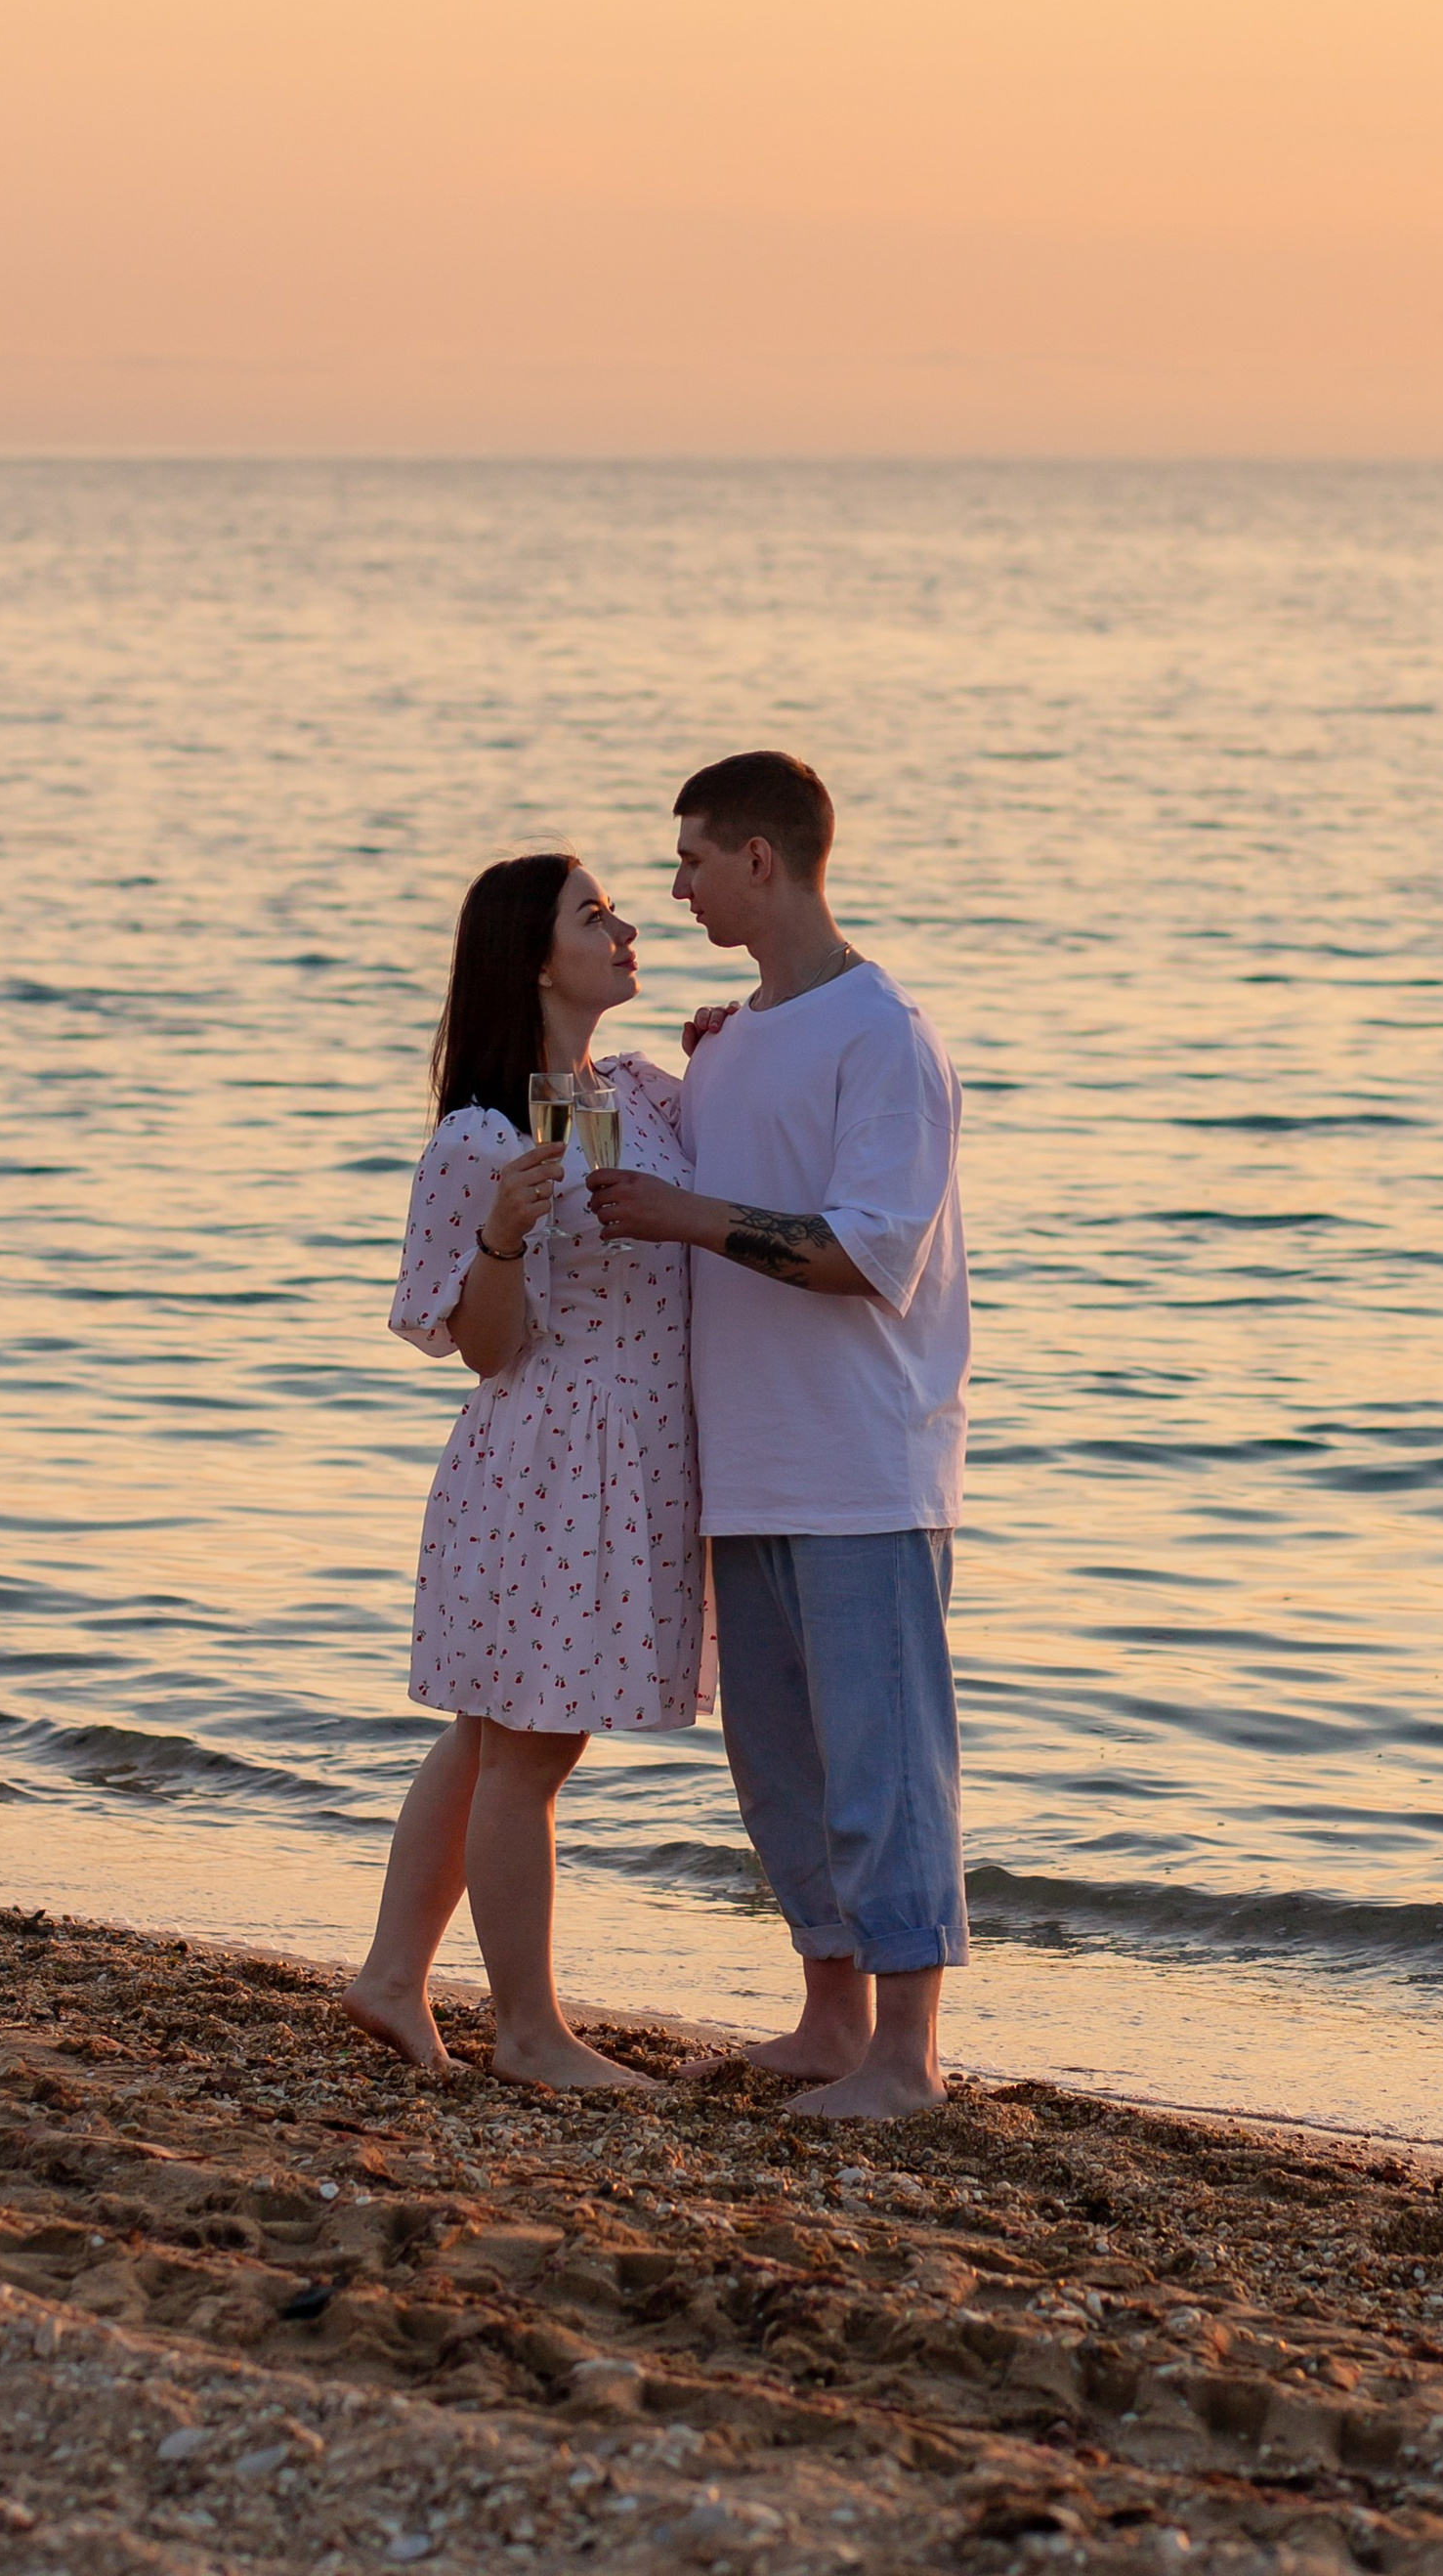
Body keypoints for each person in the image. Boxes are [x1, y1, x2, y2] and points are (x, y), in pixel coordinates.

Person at [589, 749, 969, 2121]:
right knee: (781, 1765)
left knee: (884, 1760)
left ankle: (908, 2060)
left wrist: (685, 1217)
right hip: (739, 1457)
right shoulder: (741, 1036)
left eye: (692, 859)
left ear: (763, 860)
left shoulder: (887, 1034)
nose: (675, 886)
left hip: (864, 1460)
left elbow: (869, 1254)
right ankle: (827, 2019)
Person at [343, 849, 710, 2089]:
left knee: (492, 1735)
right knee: (531, 1748)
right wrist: (503, 1230)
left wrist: (739, 1052)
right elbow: (485, 1353)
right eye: (592, 913)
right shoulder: (478, 1138)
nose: (623, 929)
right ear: (531, 955)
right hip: (547, 1461)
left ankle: (392, 1979)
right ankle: (529, 2032)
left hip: (634, 1458)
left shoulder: (646, 1092)